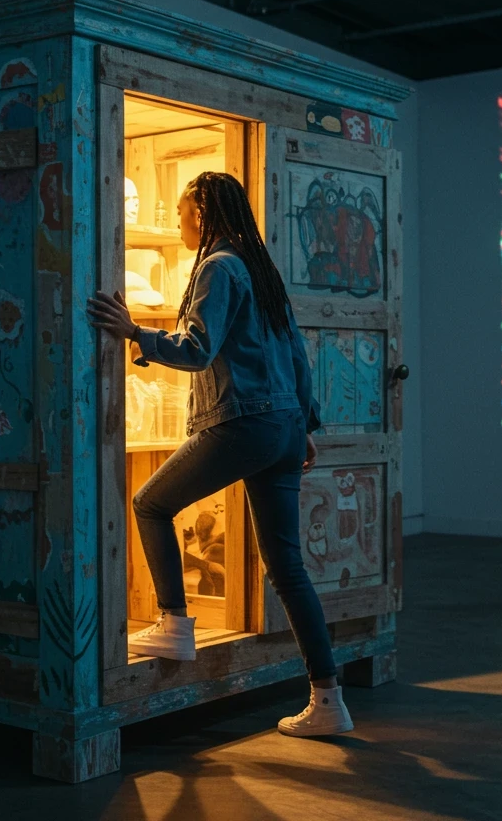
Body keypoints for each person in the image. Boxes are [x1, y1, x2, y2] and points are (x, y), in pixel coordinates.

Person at [86, 171, 352, 737]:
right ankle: (328, 700)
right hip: (282, 428)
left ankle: (174, 622)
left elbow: (198, 350)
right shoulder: (261, 271)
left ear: (202, 215)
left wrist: (135, 333)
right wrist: (304, 426)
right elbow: (299, 357)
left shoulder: (217, 268)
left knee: (150, 504)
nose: (180, 225)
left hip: (245, 424)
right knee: (289, 569)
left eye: (183, 215)